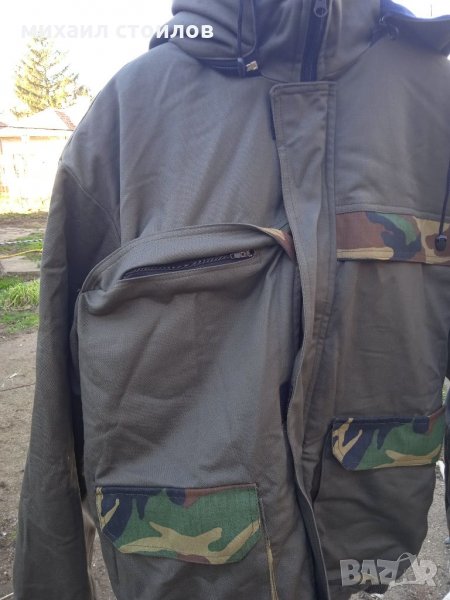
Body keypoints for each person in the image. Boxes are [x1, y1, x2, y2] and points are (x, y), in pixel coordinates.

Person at [12, 1, 450, 599]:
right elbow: (56, 398)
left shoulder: (433, 102)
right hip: (192, 566)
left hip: (367, 542)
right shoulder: (132, 110)